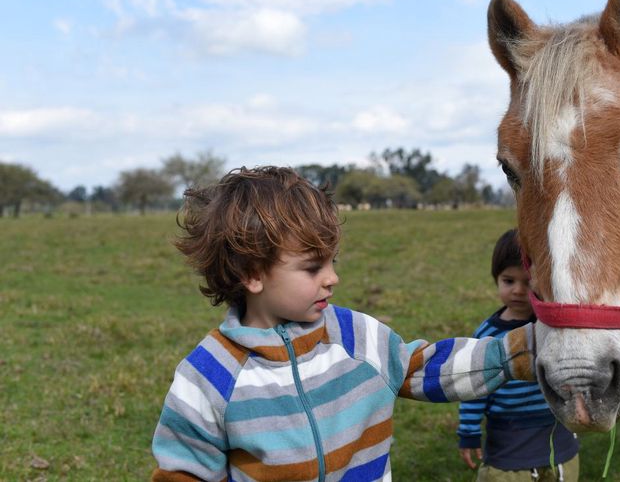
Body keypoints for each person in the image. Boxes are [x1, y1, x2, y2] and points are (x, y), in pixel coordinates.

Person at [151, 166, 536, 481]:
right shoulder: (208, 375)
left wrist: (516, 352)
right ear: (252, 274)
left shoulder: (354, 336)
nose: (332, 278)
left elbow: (425, 368)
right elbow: (185, 471)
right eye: (313, 267)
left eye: (332, 261)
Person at [457, 229, 579, 481]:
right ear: (496, 279)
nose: (518, 290)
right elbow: (474, 386)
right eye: (508, 281)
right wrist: (468, 431)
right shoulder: (487, 335)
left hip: (558, 443)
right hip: (508, 446)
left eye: (528, 281)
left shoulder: (555, 328)